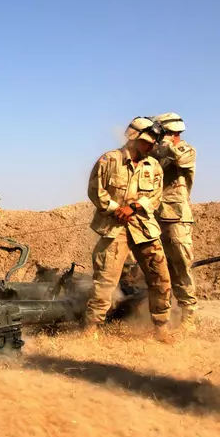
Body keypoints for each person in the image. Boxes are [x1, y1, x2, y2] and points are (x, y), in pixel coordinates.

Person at [84, 116, 174, 342]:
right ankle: (91, 328)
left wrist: (133, 208)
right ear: (134, 137)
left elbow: (155, 197)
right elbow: (96, 191)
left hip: (144, 228)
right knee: (105, 280)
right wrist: (116, 209)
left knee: (160, 277)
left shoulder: (153, 166)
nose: (152, 147)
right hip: (115, 229)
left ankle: (161, 326)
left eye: (154, 143)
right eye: (148, 142)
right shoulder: (109, 160)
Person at [152, 112, 199, 331]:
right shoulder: (156, 153)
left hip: (177, 218)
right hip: (155, 217)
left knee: (181, 266)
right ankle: (160, 316)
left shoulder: (185, 150)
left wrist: (164, 141)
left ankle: (188, 316)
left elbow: (178, 157)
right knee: (158, 268)